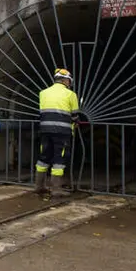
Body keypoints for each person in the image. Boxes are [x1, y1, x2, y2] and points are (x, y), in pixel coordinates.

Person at [36, 68, 80, 197]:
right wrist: (75, 122)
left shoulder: (43, 93)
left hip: (45, 130)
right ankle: (56, 189)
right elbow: (75, 115)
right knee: (59, 158)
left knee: (43, 156)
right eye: (69, 81)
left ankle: (39, 186)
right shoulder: (70, 94)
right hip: (62, 132)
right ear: (66, 80)